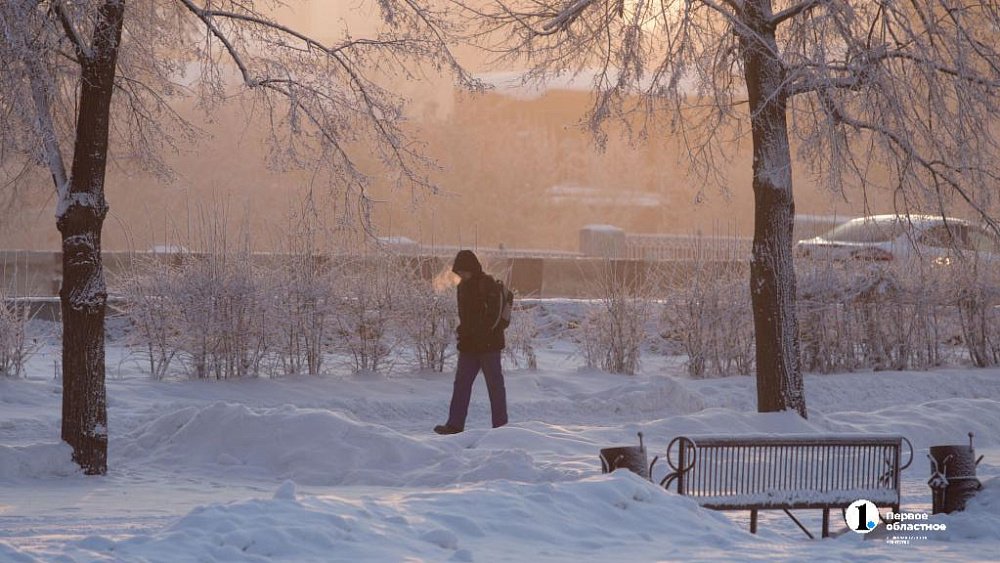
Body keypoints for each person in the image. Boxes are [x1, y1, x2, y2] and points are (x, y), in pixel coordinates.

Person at [434, 250, 508, 434]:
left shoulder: (488, 284)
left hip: (489, 345)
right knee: (461, 384)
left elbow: (494, 316)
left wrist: (478, 333)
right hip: (470, 345)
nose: (461, 275)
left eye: (463, 271)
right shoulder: (462, 287)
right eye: (459, 272)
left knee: (494, 386)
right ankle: (454, 425)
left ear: (472, 268)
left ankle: (501, 428)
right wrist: (464, 333)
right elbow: (466, 316)